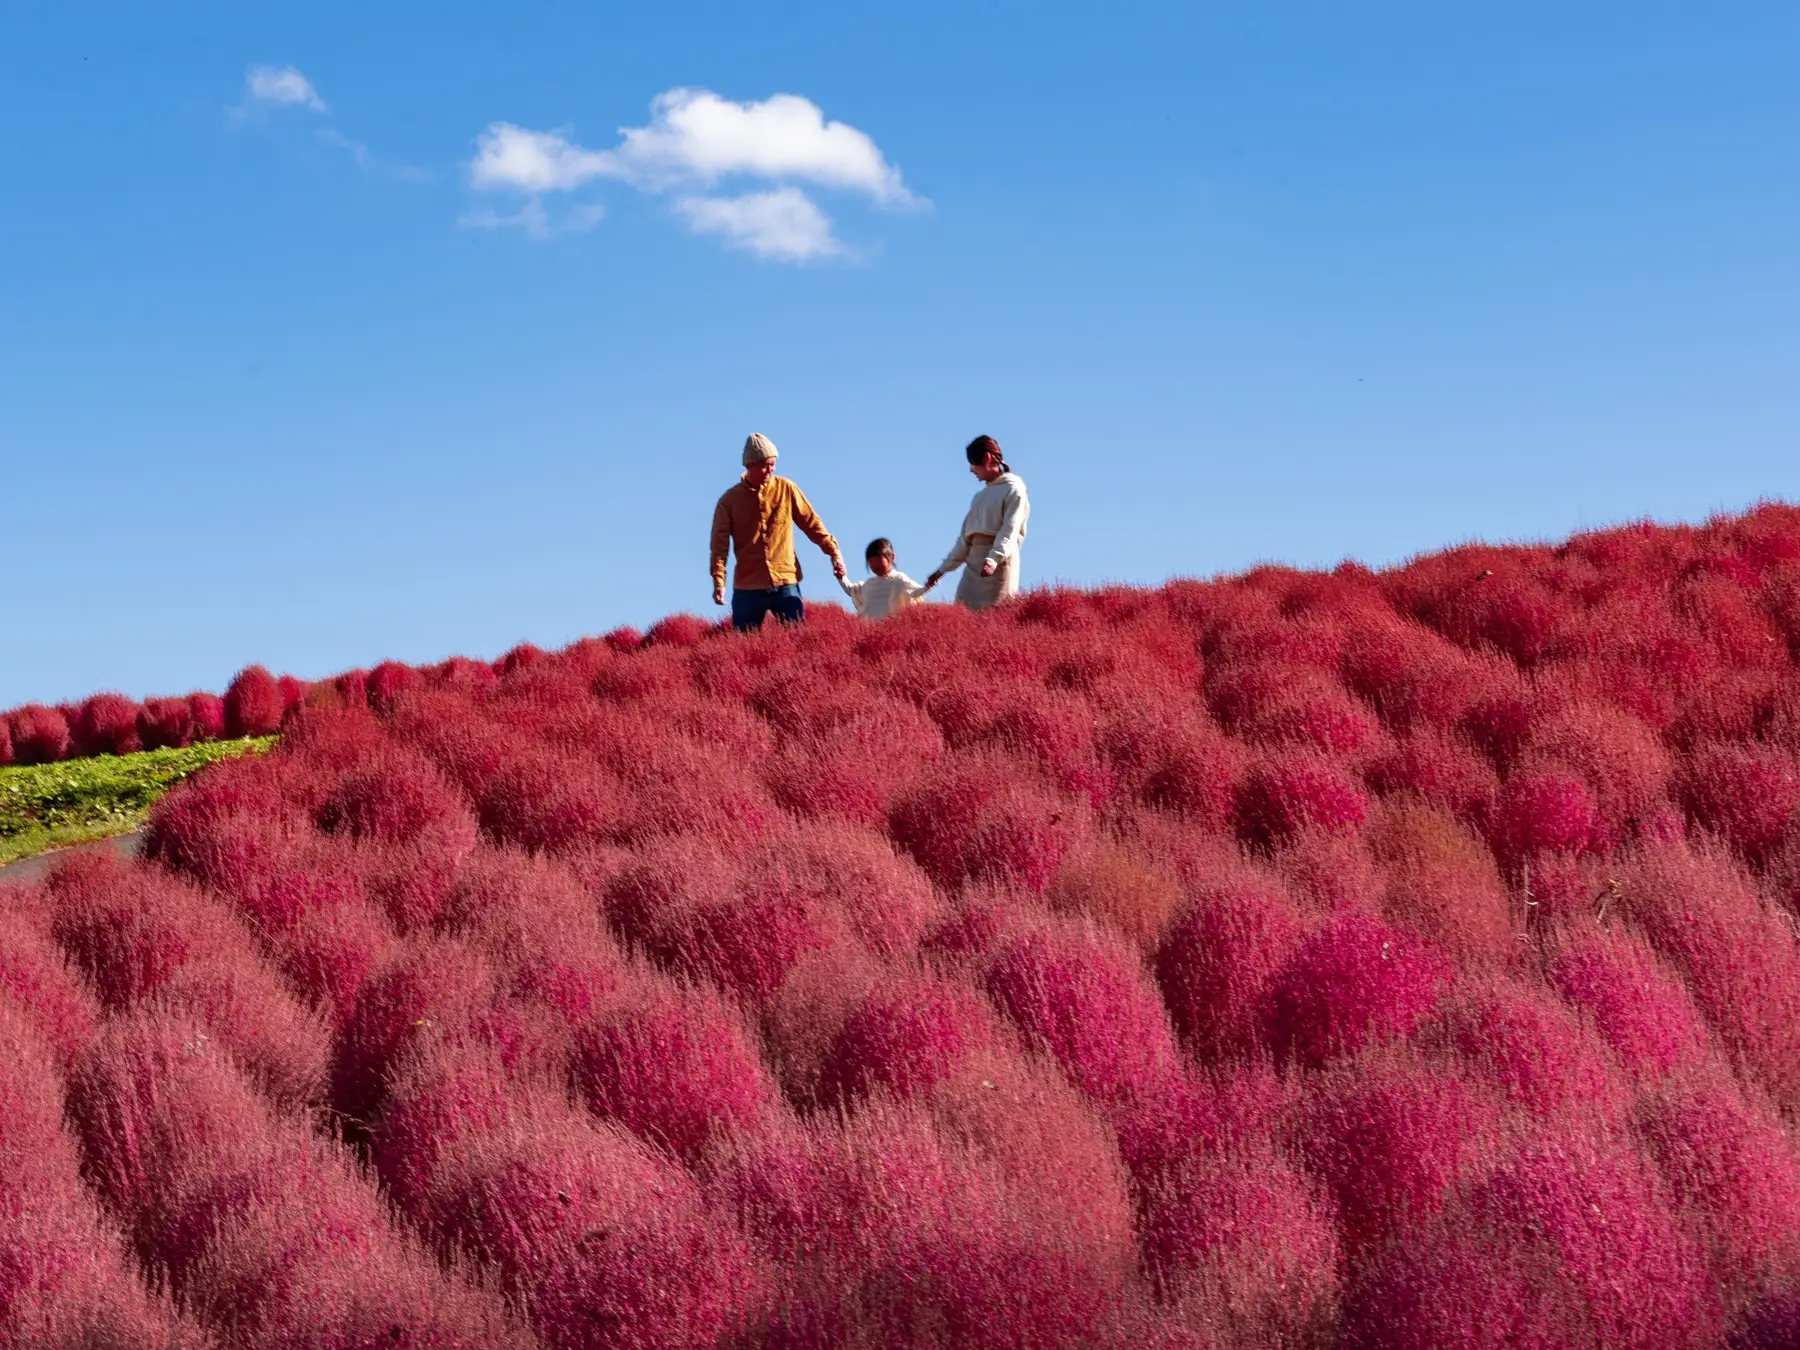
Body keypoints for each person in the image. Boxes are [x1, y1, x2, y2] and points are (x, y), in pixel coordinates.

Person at [711, 433, 847, 632]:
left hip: (785, 582)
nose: (770, 470)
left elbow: (812, 524)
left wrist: (834, 553)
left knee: (795, 641)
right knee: (744, 647)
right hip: (747, 587)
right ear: (749, 465)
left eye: (773, 464)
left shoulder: (787, 488)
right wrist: (718, 580)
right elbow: (719, 546)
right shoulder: (728, 501)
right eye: (764, 465)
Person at [926, 434, 1029, 611]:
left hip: (999, 566)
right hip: (973, 567)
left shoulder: (1014, 489)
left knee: (996, 615)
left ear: (987, 459)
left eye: (973, 463)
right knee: (963, 611)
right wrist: (942, 570)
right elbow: (964, 540)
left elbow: (1009, 530)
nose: (971, 470)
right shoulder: (978, 498)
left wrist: (993, 559)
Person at [839, 537, 934, 619]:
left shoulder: (899, 579)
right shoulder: (868, 584)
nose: (874, 564)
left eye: (879, 559)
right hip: (869, 634)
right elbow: (852, 591)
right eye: (871, 561)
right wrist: (841, 577)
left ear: (892, 557)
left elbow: (916, 591)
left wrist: (929, 585)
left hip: (893, 633)